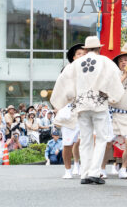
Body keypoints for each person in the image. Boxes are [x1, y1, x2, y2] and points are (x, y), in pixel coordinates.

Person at [50, 36, 124, 185]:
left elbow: (63, 79)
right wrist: (110, 94)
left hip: (82, 105)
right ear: (99, 48)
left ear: (86, 48)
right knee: (101, 138)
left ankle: (85, 173)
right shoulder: (105, 61)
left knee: (85, 139)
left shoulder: (76, 64)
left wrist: (65, 99)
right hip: (98, 104)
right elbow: (116, 77)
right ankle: (95, 172)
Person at [54, 43, 85, 179]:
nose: (82, 56)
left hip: (86, 109)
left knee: (86, 141)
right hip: (70, 110)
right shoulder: (67, 71)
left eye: (85, 54)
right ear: (73, 57)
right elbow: (58, 92)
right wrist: (57, 108)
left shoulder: (92, 70)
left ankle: (83, 166)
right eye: (79, 54)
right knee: (67, 143)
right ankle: (68, 169)